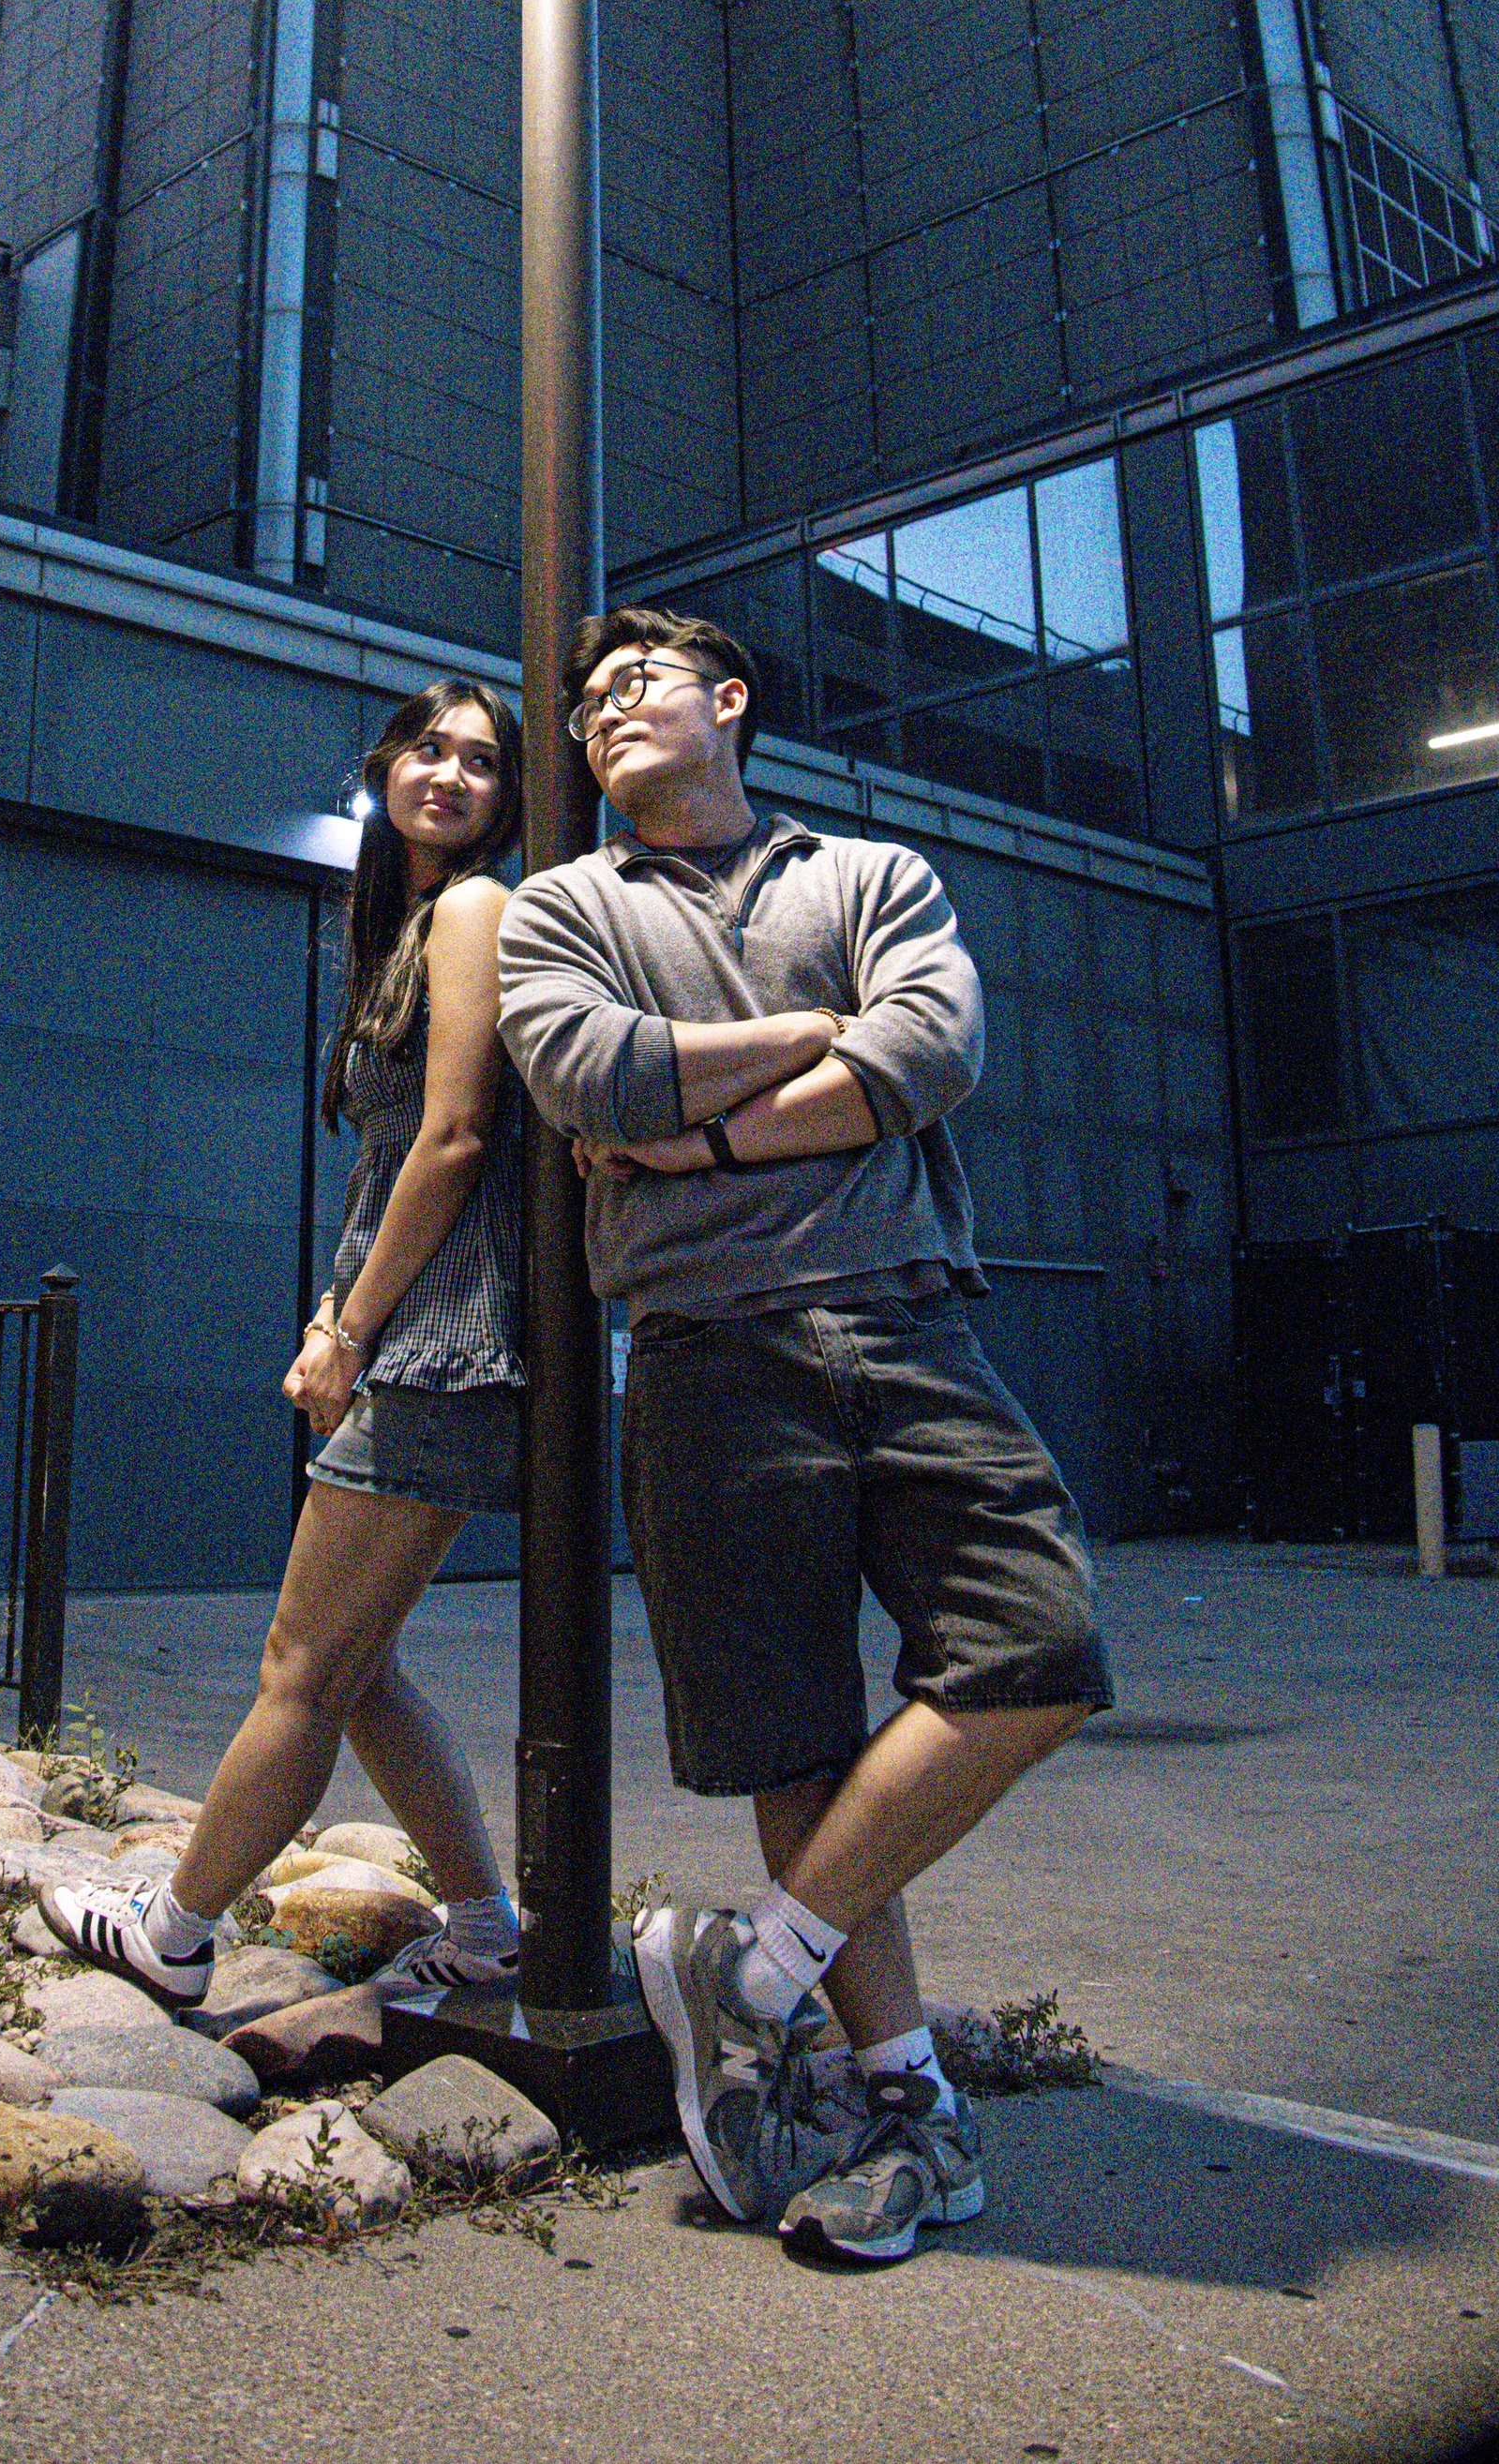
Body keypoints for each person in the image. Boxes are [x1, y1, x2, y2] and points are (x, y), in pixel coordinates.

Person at [495, 606, 1114, 2265]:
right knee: (789, 1736)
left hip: (906, 1316)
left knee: (1038, 1645)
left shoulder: (870, 875)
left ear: (731, 702)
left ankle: (752, 1973)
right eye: (585, 701)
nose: (607, 708)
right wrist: (811, 1046)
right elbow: (592, 1074)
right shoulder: (567, 908)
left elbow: (936, 1043)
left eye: (640, 681)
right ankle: (900, 2103)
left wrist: (698, 1149)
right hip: (705, 1354)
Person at [45, 676, 529, 2009]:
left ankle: (178, 1930)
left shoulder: (478, 908)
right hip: (412, 1339)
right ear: (385, 763)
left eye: (482, 763)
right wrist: (334, 1316)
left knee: (302, 1667)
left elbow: (455, 1138)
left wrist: (351, 1328)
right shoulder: (408, 923)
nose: (450, 774)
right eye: (430, 747)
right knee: (361, 1670)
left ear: (506, 799)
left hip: (447, 1344)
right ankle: (486, 1926)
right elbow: (391, 1166)